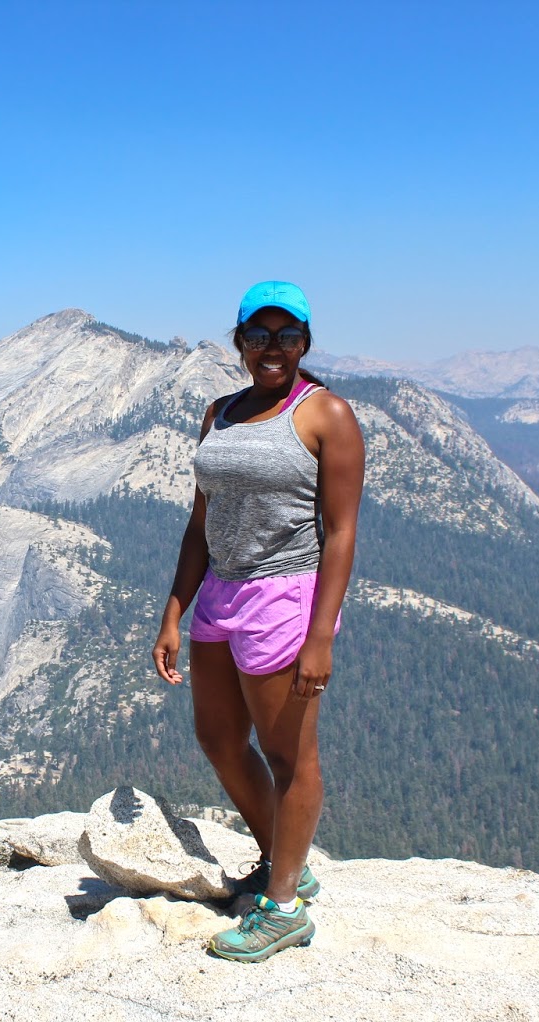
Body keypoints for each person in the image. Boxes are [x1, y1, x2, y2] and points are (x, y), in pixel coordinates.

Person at [152, 280, 365, 963]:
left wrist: (320, 637)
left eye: (287, 336)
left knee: (288, 756)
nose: (273, 348)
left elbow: (341, 532)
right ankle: (284, 862)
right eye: (259, 336)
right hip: (220, 590)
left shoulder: (325, 413)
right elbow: (200, 523)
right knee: (218, 737)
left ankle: (284, 910)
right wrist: (174, 611)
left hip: (284, 596)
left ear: (305, 343)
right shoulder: (219, 413)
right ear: (239, 341)